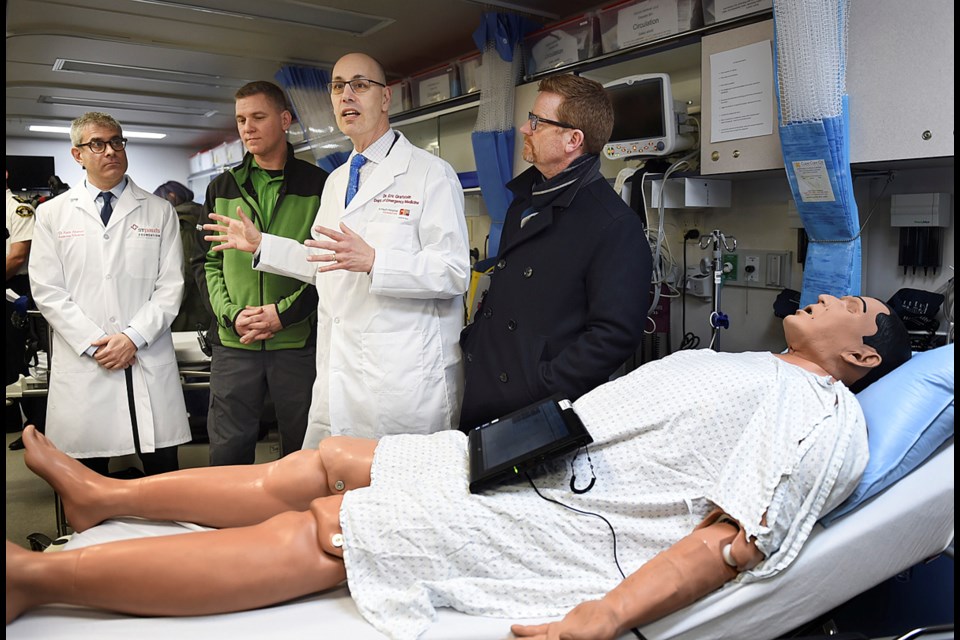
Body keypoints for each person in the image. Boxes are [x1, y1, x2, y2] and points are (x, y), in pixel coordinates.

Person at [6, 294, 912, 639]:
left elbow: (733, 541)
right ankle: (103, 495)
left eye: (855, 302)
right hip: (536, 463)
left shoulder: (820, 414)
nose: (832, 291)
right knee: (329, 461)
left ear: (863, 357)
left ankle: (37, 586)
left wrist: (601, 616)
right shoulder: (760, 366)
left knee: (335, 526)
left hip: (560, 529)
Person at [205, 53, 470, 446]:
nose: (347, 95)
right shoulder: (338, 181)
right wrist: (264, 245)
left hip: (403, 378)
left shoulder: (430, 174)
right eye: (337, 86)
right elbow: (323, 262)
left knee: (399, 492)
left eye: (360, 85)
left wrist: (377, 262)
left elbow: (453, 272)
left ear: (385, 98)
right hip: (341, 371)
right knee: (336, 488)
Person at [458, 74, 653, 431]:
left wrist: (540, 385)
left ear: (572, 140)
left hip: (536, 408)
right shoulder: (524, 204)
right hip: (487, 383)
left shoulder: (612, 224)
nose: (523, 128)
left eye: (536, 121)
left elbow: (614, 334)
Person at [27, 111, 191, 476]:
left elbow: (171, 287)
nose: (110, 151)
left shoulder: (160, 210)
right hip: (87, 361)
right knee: (88, 480)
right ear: (77, 155)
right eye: (97, 144)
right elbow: (47, 290)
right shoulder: (52, 214)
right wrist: (96, 342)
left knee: (162, 478)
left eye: (117, 142)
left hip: (144, 358)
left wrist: (132, 337)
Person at [198, 80, 327, 465]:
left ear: (284, 120)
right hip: (234, 345)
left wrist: (282, 315)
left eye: (258, 117)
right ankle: (227, 524)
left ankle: (300, 524)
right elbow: (206, 264)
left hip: (296, 344)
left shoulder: (320, 186)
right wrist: (232, 314)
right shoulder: (221, 187)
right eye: (240, 120)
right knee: (227, 452)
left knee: (304, 451)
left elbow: (327, 266)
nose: (247, 128)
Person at [6, 170, 38, 448]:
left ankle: (36, 428)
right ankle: (13, 421)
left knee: (23, 361)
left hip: (16, 290)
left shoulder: (18, 208)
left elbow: (17, 256)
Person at [153, 180, 211, 333]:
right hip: (206, 297)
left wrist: (168, 305)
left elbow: (184, 268)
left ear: (171, 196)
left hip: (190, 307)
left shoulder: (183, 221)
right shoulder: (202, 213)